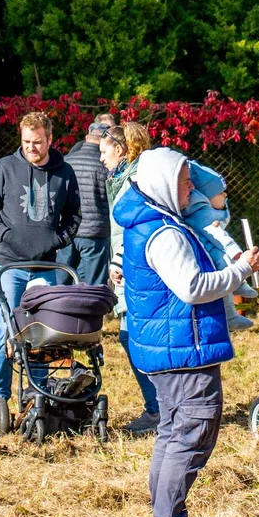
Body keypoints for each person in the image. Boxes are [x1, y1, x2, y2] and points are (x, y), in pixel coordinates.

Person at [112, 147, 259, 517]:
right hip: (182, 346)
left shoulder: (150, 220)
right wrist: (241, 270)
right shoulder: (164, 233)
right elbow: (194, 287)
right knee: (192, 431)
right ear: (163, 185)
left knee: (172, 432)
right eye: (183, 182)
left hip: (169, 344)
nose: (190, 188)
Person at [0, 111, 81, 405]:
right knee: (5, 328)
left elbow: (74, 214)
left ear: (49, 139)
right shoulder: (5, 168)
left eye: (37, 142)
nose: (31, 148)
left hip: (46, 266)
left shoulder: (64, 173)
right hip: (9, 264)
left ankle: (36, 392)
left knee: (42, 330)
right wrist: (5, 235)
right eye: (26, 142)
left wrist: (58, 239)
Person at [103, 122, 161, 434]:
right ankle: (161, 407)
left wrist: (118, 261)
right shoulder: (126, 177)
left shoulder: (134, 181)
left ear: (121, 150)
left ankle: (158, 410)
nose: (101, 159)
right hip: (130, 267)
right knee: (134, 338)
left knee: (132, 338)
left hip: (134, 269)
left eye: (104, 152)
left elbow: (134, 224)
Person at [181, 160, 256, 331]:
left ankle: (233, 304)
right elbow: (218, 235)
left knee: (225, 277)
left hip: (209, 250)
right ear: (207, 195)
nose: (225, 196)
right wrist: (235, 252)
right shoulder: (203, 212)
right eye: (221, 192)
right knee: (225, 272)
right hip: (208, 254)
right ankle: (231, 313)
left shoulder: (202, 208)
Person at [58, 122, 112, 285]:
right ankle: (92, 311)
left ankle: (59, 309)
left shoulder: (66, 161)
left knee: (62, 281)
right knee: (94, 285)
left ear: (87, 138)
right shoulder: (105, 164)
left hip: (68, 230)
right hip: (95, 234)